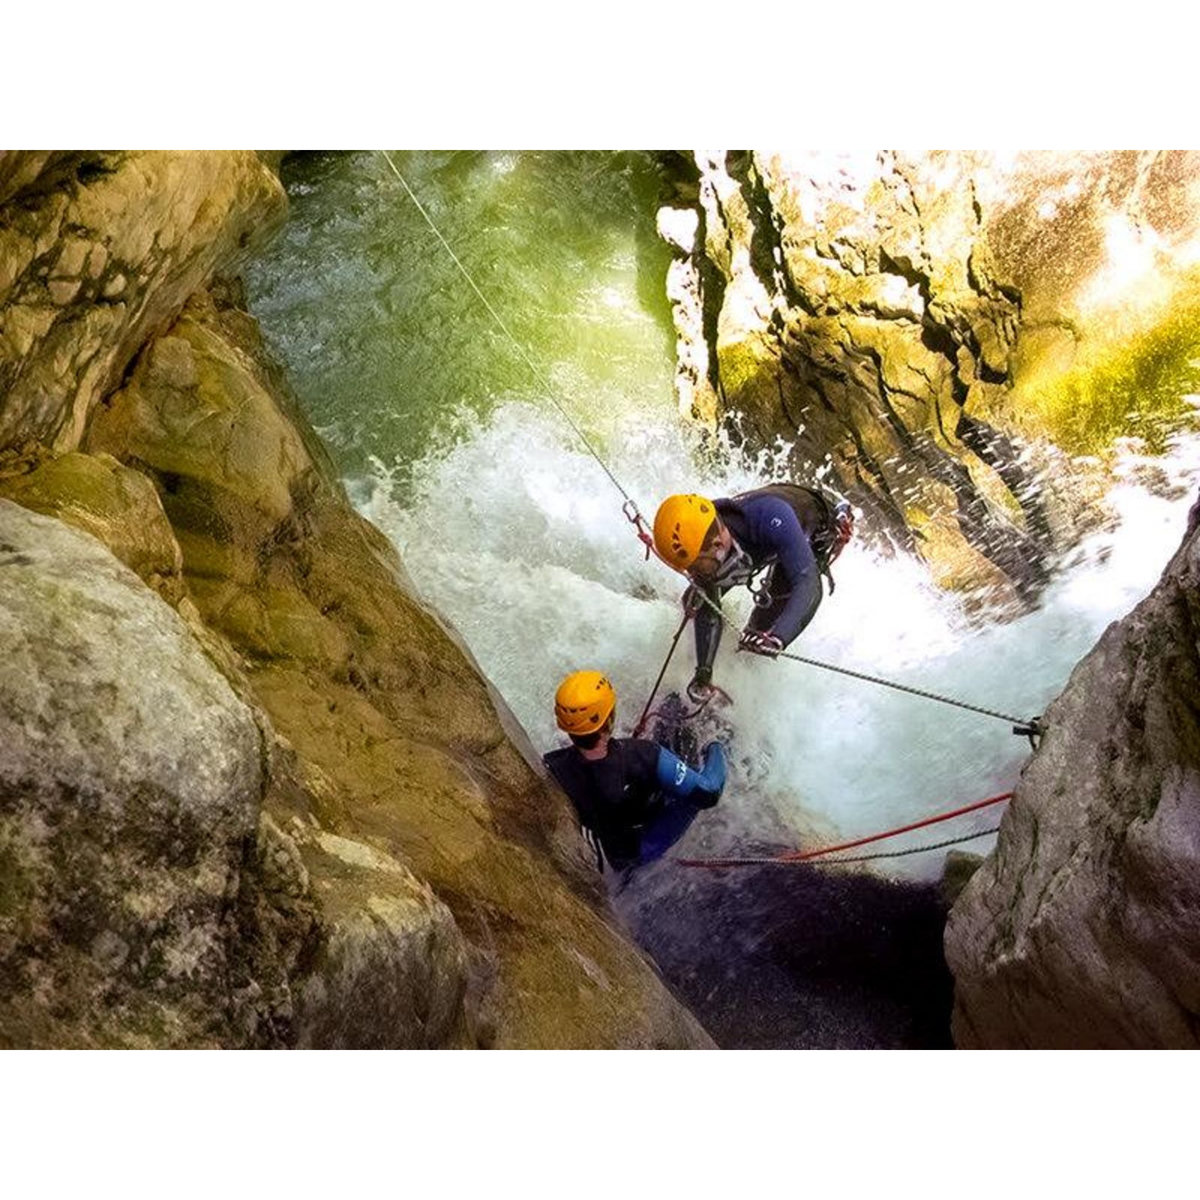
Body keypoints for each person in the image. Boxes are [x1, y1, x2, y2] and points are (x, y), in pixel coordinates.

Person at [652, 483, 854, 702]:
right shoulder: (705, 537)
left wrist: (778, 639)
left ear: (718, 544)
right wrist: (703, 673)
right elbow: (707, 610)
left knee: (762, 633)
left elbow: (808, 584)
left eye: (696, 566)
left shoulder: (770, 518)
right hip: (769, 529)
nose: (693, 573)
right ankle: (721, 683)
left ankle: (743, 692)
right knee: (696, 599)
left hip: (809, 528)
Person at [543, 670, 727, 874]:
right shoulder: (641, 755)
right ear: (610, 717)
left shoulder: (555, 765)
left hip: (617, 852)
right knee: (693, 796)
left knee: (673, 703)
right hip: (645, 844)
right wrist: (716, 743)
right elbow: (709, 793)